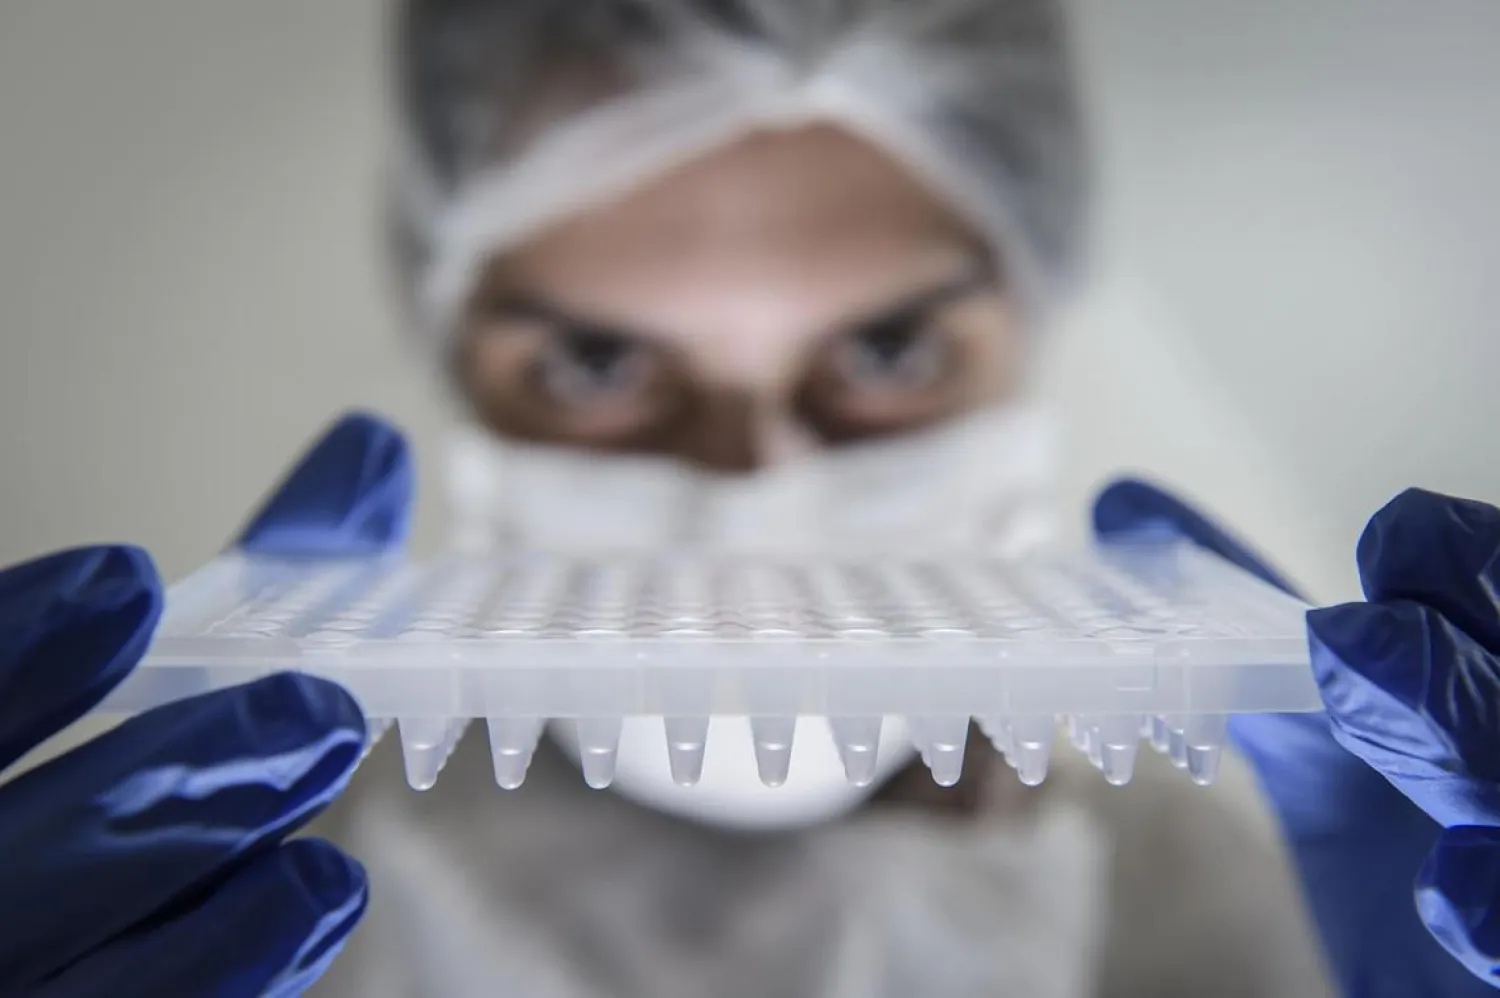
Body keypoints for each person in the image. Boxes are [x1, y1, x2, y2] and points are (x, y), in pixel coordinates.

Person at [0, 2, 1494, 997]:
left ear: (1037, 324)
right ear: (453, 344)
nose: (746, 491)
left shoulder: (1256, 913)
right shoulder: (202, 907)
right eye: (596, 359)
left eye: (886, 349)